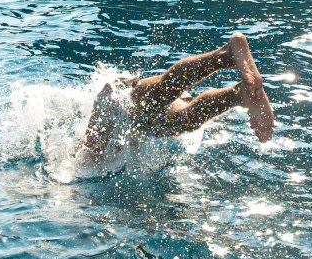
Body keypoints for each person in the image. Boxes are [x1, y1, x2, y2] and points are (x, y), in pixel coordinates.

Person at [80, 32, 275, 165]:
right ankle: (238, 94)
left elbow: (90, 153)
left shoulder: (95, 129)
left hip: (119, 93)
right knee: (184, 119)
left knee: (160, 93)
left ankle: (226, 55)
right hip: (140, 120)